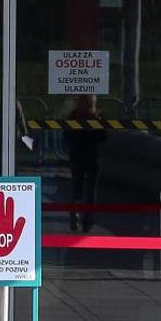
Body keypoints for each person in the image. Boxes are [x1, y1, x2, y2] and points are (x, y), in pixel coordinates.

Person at [66, 94, 107, 232]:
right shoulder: (95, 116)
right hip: (90, 156)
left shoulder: (75, 115)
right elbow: (103, 137)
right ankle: (85, 219)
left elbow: (68, 136)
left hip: (82, 155)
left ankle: (79, 215)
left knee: (80, 188)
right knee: (89, 190)